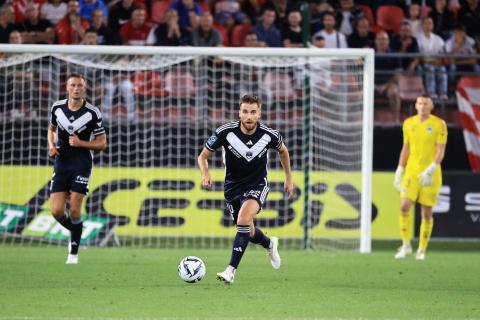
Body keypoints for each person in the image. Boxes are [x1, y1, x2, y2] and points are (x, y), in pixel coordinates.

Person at [197, 94, 294, 284]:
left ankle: (230, 271)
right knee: (247, 232)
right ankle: (269, 243)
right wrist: (205, 173)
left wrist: (289, 177)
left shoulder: (269, 134)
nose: (249, 116)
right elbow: (202, 157)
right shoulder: (225, 132)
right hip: (232, 188)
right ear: (239, 113)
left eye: (253, 112)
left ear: (259, 114)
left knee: (243, 219)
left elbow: (283, 151)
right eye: (245, 112)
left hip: (258, 185)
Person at [48, 74, 107, 264]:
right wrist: (51, 145)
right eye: (73, 85)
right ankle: (75, 231)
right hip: (62, 162)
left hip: (81, 163)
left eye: (80, 86)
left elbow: (102, 143)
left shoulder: (92, 113)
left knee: (74, 209)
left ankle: (73, 253)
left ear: (85, 88)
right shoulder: (57, 108)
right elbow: (51, 129)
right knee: (56, 211)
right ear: (67, 87)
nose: (76, 88)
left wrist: (81, 142)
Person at [393, 94, 447, 261]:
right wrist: (400, 169)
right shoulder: (409, 123)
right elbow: (406, 148)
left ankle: (422, 249)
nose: (422, 106)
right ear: (415, 106)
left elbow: (440, 150)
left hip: (430, 174)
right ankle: (406, 244)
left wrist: (431, 169)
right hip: (412, 171)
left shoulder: (439, 124)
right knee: (404, 206)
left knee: (427, 213)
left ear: (431, 107)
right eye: (420, 103)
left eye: (425, 103)